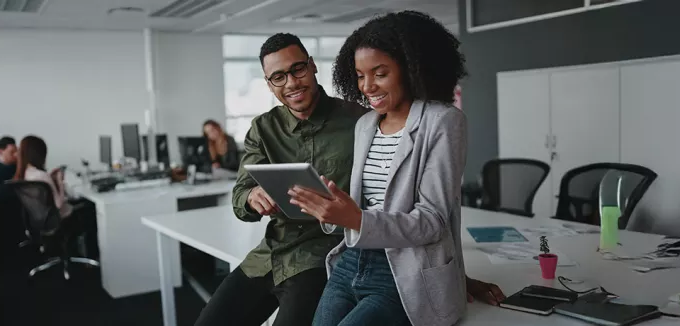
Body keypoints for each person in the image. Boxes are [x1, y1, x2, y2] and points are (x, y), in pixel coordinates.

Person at [288, 11, 489, 326]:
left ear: (411, 69)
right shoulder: (365, 125)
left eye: (380, 73)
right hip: (352, 259)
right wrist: (333, 210)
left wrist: (356, 218)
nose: (367, 86)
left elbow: (433, 222)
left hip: (403, 271)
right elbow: (367, 209)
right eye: (359, 75)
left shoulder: (443, 121)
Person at [194, 33, 368, 326]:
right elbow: (240, 195)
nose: (291, 83)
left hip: (324, 256)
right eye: (278, 77)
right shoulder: (263, 128)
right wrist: (252, 197)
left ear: (312, 66)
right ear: (269, 83)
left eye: (297, 69)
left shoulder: (359, 121)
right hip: (270, 254)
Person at [12, 135, 72, 219]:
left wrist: (50, 178)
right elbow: (59, 205)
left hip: (36, 220)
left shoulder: (24, 174)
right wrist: (59, 180)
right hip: (55, 220)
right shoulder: (42, 175)